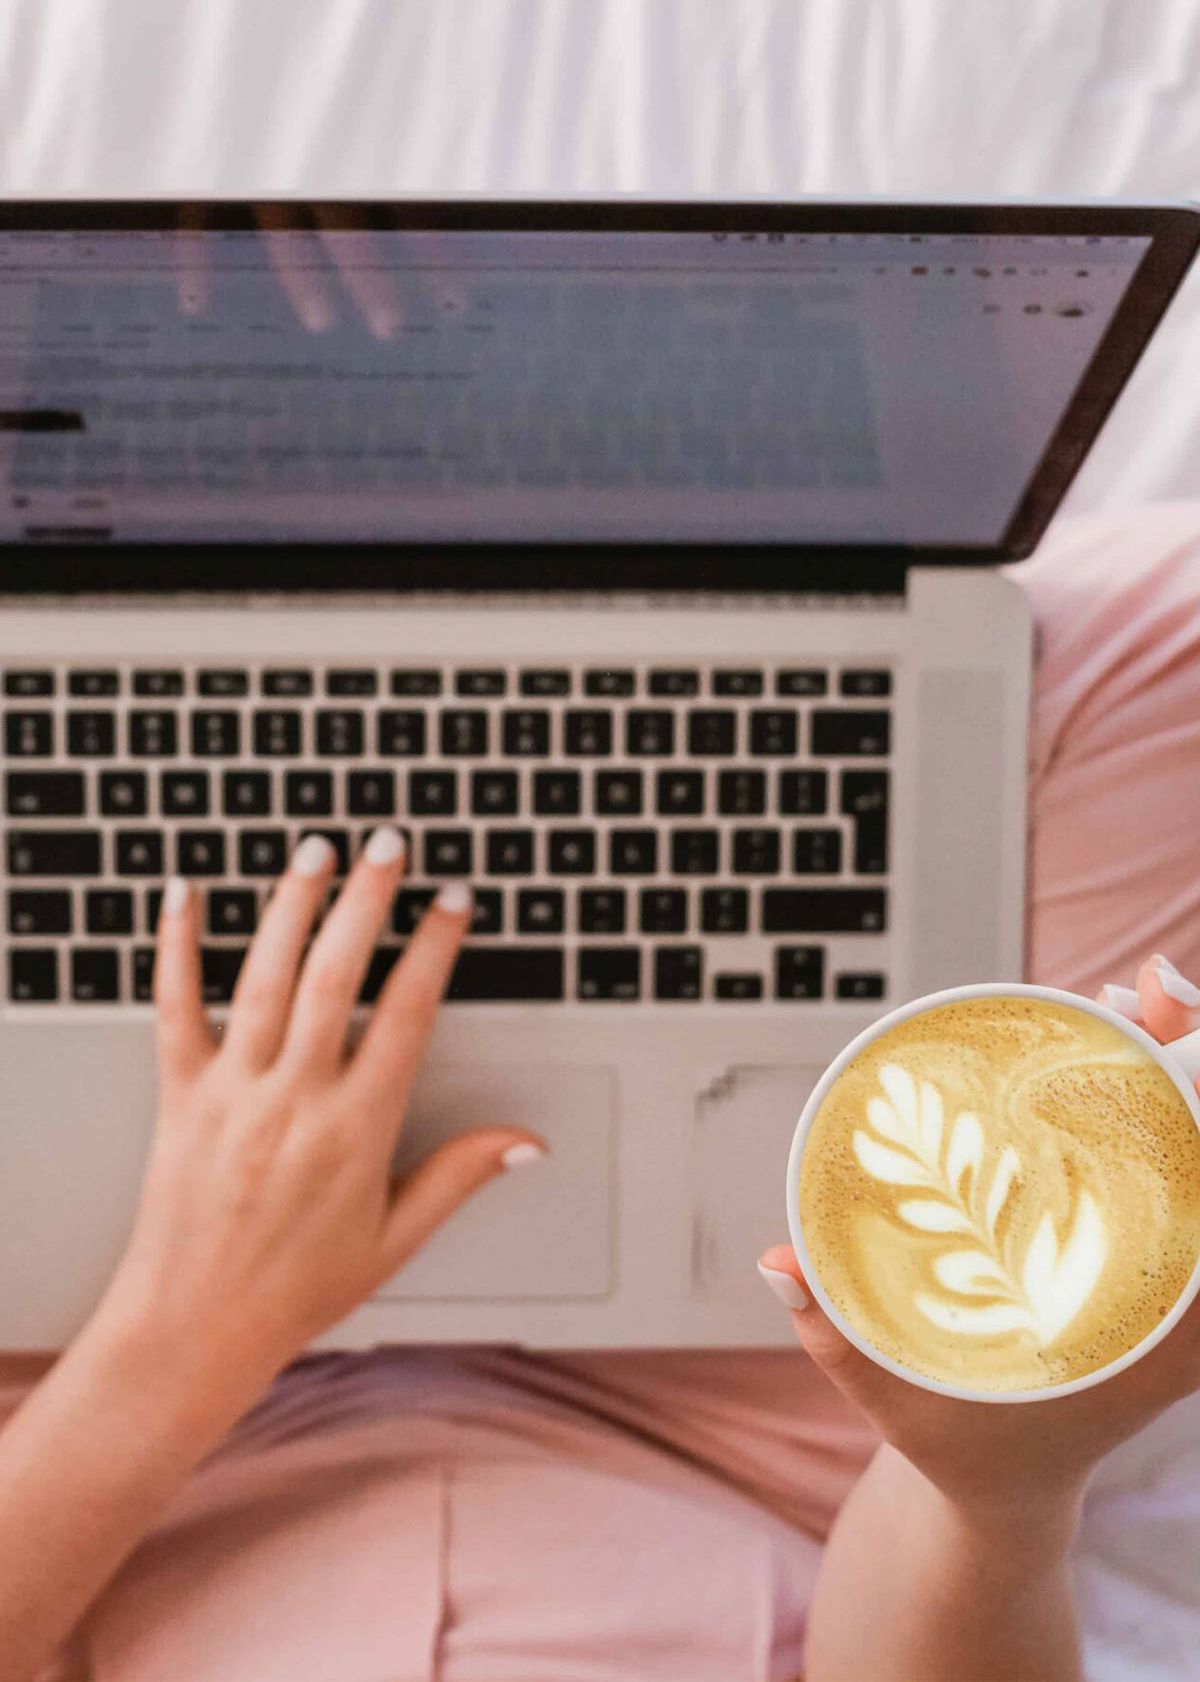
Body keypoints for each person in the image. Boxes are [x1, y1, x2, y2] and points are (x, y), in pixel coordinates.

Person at [1, 501, 1199, 1682]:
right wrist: (993, 1488)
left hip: (108, 1438)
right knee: (1167, 631)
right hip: (756, 1440)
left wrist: (181, 1337)